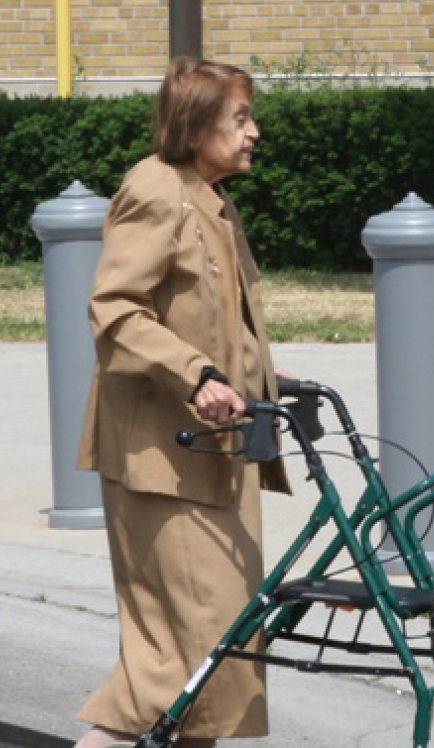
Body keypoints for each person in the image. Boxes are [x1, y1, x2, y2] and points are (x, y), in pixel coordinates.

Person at [74, 58, 291, 748]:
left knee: (213, 671)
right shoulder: (157, 190)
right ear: (197, 126)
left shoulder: (208, 195)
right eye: (240, 118)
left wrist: (260, 376)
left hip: (209, 459)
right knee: (176, 670)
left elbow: (214, 315)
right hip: (161, 464)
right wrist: (197, 375)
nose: (254, 132)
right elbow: (115, 308)